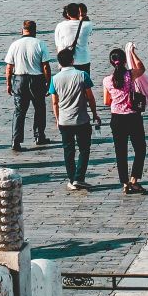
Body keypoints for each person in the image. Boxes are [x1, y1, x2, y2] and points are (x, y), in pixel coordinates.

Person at [51, 48, 102, 192]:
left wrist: (57, 118)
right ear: (72, 60)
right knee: (84, 149)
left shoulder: (55, 79)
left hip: (64, 120)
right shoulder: (82, 75)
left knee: (68, 151)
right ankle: (79, 177)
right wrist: (94, 113)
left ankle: (72, 179)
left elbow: (55, 102)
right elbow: (90, 97)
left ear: (59, 62)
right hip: (81, 119)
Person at [105, 46, 148, 194]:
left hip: (116, 119)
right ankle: (134, 179)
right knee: (140, 149)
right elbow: (142, 68)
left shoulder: (107, 80)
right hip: (133, 117)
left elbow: (106, 101)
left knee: (120, 152)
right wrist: (133, 53)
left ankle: (124, 183)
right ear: (124, 61)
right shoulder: (130, 75)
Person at [4, 21, 51, 152]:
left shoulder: (15, 44)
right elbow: (46, 66)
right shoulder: (40, 44)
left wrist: (8, 83)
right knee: (40, 108)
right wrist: (49, 82)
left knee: (19, 111)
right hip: (37, 80)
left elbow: (9, 67)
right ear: (35, 30)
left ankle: (16, 140)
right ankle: (39, 135)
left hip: (20, 80)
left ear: (22, 30)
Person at [54, 2, 94, 74]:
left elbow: (57, 45)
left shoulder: (60, 26)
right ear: (79, 13)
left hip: (65, 61)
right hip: (83, 60)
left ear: (67, 14)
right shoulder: (88, 25)